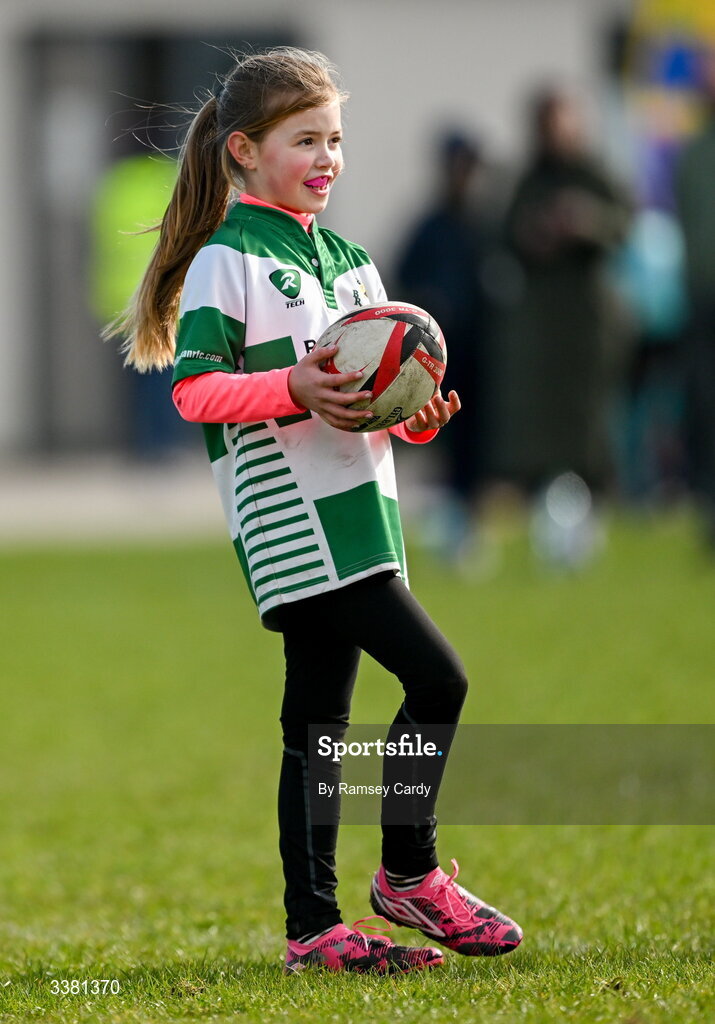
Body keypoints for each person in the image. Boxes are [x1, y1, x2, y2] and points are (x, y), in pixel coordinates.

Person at [106, 47, 522, 975]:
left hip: (364, 514)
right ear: (245, 151)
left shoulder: (354, 262)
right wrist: (291, 384)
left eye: (335, 138)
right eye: (306, 140)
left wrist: (412, 416)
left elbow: (368, 402)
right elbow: (197, 392)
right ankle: (408, 873)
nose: (328, 157)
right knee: (439, 679)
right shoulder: (229, 259)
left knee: (316, 725)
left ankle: (312, 929)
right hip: (293, 522)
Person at [501, 88, 633, 494]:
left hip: (588, 319)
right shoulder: (528, 180)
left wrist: (583, 222)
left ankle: (601, 487)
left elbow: (624, 226)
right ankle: (546, 490)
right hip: (543, 321)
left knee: (590, 412)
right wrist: (536, 233)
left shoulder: (594, 175)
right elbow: (506, 233)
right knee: (543, 414)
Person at [395, 132, 494, 565]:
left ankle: (471, 520)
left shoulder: (485, 223)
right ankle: (452, 522)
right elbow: (404, 278)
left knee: (477, 441)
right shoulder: (429, 226)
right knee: (443, 439)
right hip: (437, 357)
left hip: (482, 351)